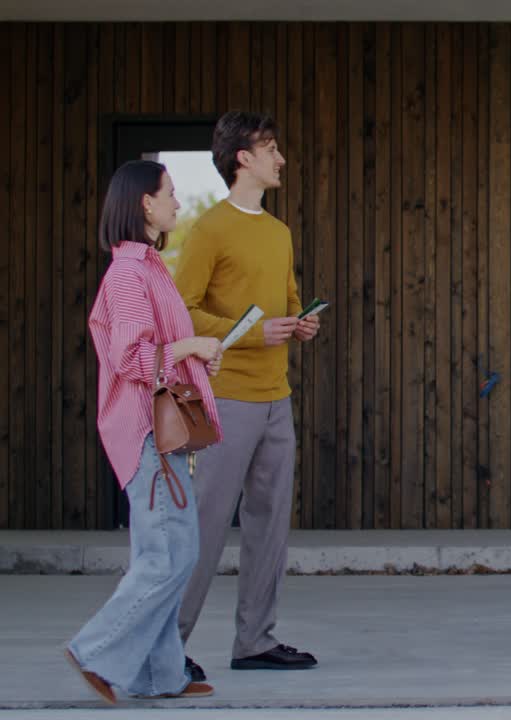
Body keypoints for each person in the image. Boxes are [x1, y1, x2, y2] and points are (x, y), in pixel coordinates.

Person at [65, 160, 223, 703]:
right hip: (146, 434)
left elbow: (158, 353)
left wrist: (197, 359)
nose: (178, 203)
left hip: (163, 432)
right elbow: (132, 357)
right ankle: (96, 650)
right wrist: (193, 347)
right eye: (171, 193)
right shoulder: (130, 275)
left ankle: (159, 675)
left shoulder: (149, 268)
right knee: (164, 556)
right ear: (145, 205)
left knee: (177, 553)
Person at [174, 111, 320, 680]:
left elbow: (287, 300)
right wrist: (251, 332)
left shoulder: (278, 231)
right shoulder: (210, 229)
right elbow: (182, 310)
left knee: (269, 524)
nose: (280, 159)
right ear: (244, 159)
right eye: (272, 149)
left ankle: (255, 640)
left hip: (276, 397)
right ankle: (169, 643)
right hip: (226, 398)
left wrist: (300, 323)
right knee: (206, 526)